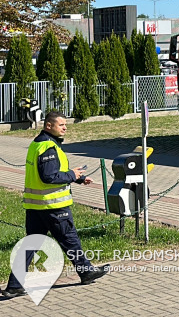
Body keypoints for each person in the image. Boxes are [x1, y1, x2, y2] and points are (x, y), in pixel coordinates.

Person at [3, 111, 109, 298]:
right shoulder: (48, 148)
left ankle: (14, 286)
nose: (65, 127)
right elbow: (49, 176)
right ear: (48, 126)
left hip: (36, 207)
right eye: (61, 125)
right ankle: (86, 272)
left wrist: (77, 177)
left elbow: (53, 171)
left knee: (30, 246)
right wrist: (71, 176)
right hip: (53, 207)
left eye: (65, 124)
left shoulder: (38, 144)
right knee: (70, 241)